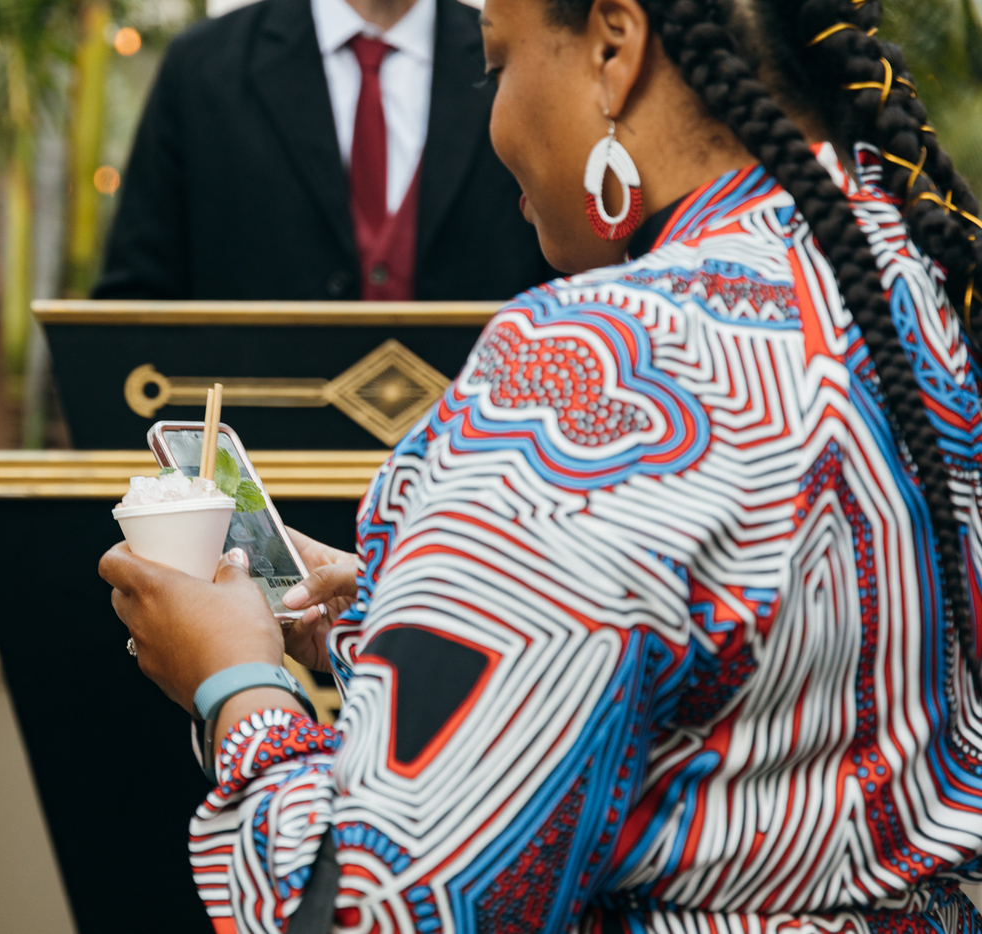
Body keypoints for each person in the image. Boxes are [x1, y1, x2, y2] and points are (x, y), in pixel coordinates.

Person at [100, 0, 982, 926]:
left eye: (496, 65)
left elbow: (383, 905)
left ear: (614, 45)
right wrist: (408, 610)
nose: (492, 122)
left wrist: (238, 683)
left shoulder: (605, 366)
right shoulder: (914, 290)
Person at [92, 0, 555, 301]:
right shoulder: (201, 69)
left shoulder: (526, 59)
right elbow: (136, 299)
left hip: (478, 440)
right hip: (265, 438)